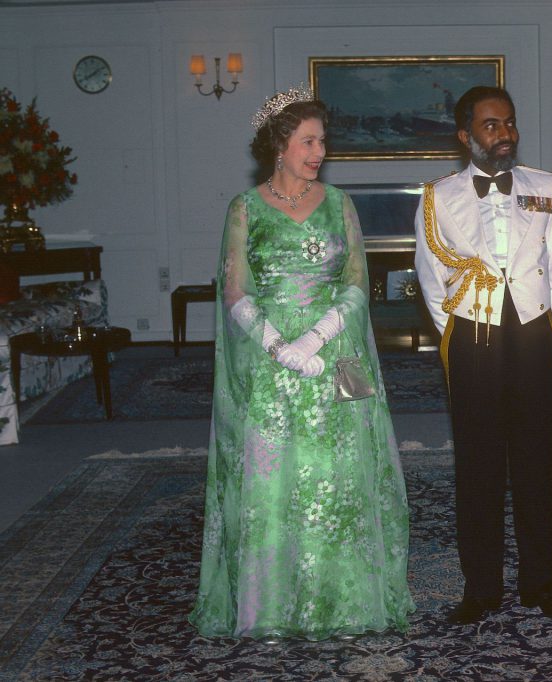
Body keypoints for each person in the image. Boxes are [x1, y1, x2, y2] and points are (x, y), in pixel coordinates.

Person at [189, 86, 414, 640]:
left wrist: (314, 338)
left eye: (323, 142)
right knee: (272, 483)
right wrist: (277, 346)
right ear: (279, 144)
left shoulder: (340, 204)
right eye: (309, 141)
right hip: (269, 367)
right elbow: (234, 291)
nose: (320, 152)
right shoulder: (244, 209)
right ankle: (270, 608)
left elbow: (358, 284)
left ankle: (345, 603)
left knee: (340, 479)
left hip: (335, 358)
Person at [414, 86, 552, 625]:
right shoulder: (439, 196)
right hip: (472, 334)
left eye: (509, 122)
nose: (505, 134)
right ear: (465, 136)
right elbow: (431, 277)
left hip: (532, 332)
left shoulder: (545, 187)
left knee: (537, 463)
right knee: (478, 465)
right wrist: (461, 333)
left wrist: (537, 319)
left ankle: (541, 584)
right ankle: (481, 589)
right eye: (491, 125)